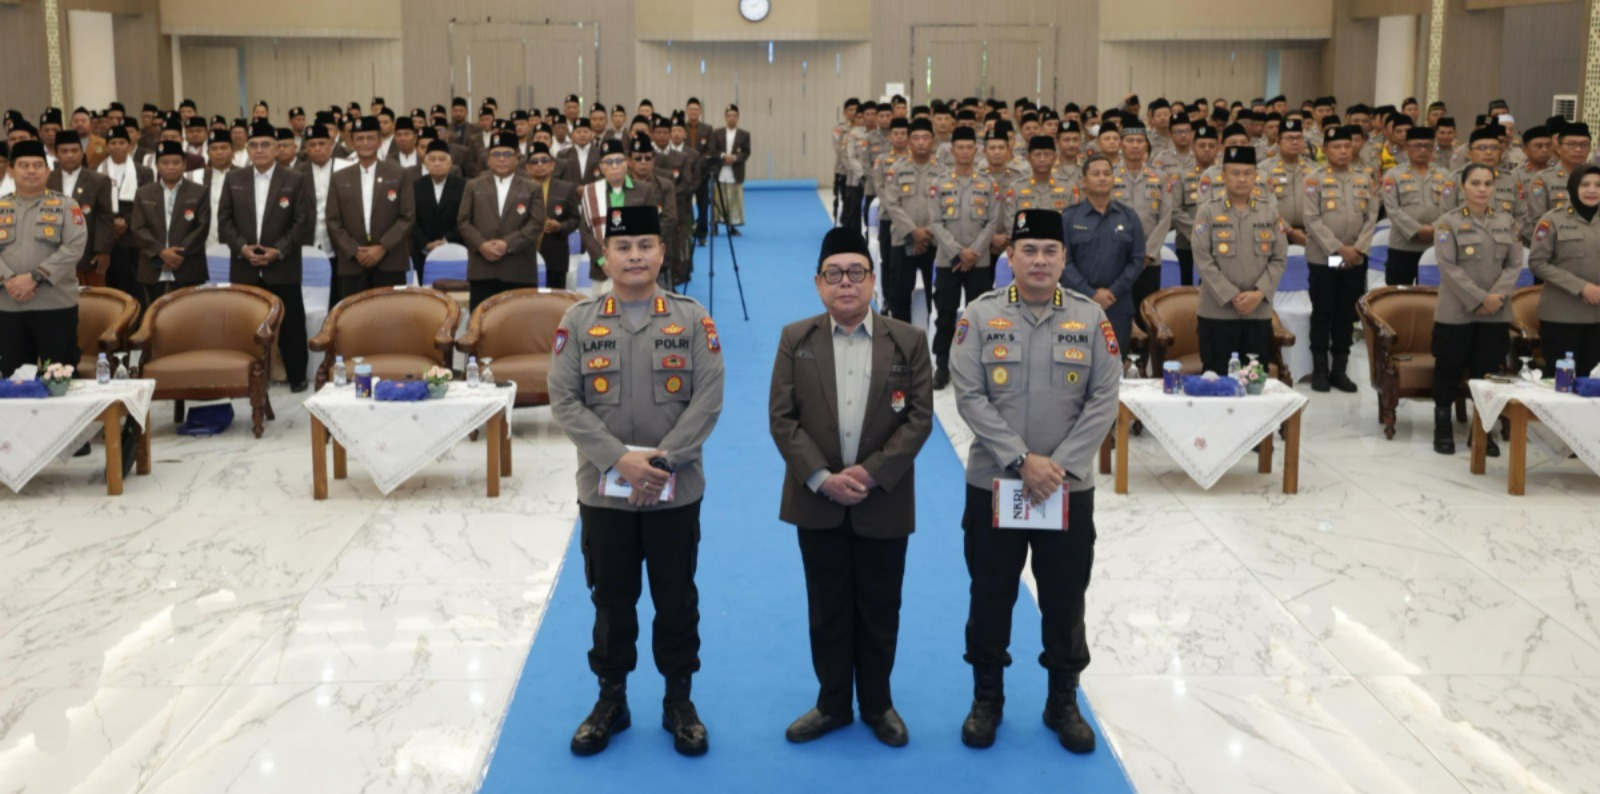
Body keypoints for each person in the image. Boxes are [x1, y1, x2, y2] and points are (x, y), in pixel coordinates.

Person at [548, 204, 724, 758]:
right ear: (606, 256)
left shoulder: (692, 319)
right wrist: (620, 462)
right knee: (611, 600)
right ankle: (611, 700)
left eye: (645, 245)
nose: (635, 256)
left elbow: (708, 399)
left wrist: (662, 464)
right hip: (605, 493)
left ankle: (679, 701)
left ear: (662, 253)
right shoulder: (579, 321)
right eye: (623, 247)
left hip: (676, 491)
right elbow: (565, 400)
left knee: (677, 599)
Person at [948, 209, 1120, 753]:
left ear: (1064, 258)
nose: (1039, 260)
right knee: (990, 595)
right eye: (1029, 250)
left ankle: (1062, 701)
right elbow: (969, 395)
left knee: (1066, 598)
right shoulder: (980, 315)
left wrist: (1058, 466)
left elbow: (1104, 398)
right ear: (1010, 256)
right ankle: (987, 699)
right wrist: (1022, 460)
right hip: (994, 485)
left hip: (1066, 490)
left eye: (1050, 251)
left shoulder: (1091, 318)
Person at [767, 228, 934, 748]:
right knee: (828, 606)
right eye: (834, 274)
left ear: (873, 280)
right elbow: (782, 419)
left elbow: (919, 419)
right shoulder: (796, 339)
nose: (846, 283)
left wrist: (871, 473)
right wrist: (822, 477)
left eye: (856, 273)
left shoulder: (908, 340)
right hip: (816, 500)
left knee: (882, 606)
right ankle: (833, 703)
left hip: (882, 498)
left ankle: (878, 704)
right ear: (818, 284)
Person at [1430, 162, 1522, 455]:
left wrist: (1495, 297)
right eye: (1475, 183)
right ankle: (1442, 427)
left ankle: (1482, 432)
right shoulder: (1448, 223)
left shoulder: (1506, 221)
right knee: (1448, 369)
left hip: (1496, 313)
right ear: (1462, 187)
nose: (1482, 189)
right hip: (1456, 312)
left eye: (1487, 184)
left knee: (1487, 373)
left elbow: (1514, 264)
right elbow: (1448, 266)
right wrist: (1481, 298)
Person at [217, 120, 313, 392]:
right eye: (254, 145)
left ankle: (297, 377)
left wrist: (278, 251)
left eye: (265, 145)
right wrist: (242, 248)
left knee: (291, 324)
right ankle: (247, 377)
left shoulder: (294, 179)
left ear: (276, 149)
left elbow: (302, 222)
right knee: (245, 325)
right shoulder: (233, 179)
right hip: (245, 266)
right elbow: (224, 221)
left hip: (283, 265)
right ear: (247, 150)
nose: (259, 150)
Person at [1192, 145, 1288, 375]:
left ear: (1256, 177)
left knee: (1254, 381)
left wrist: (1258, 294)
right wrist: (1232, 295)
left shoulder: (1269, 212)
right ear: (1223, 176)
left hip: (1257, 313)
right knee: (1216, 381)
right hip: (1217, 313)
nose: (1242, 179)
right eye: (1235, 173)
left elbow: (1279, 258)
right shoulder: (1208, 212)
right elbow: (1202, 260)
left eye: (1247, 173)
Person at [0, 140, 88, 378]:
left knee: (61, 378)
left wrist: (34, 277)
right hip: (8, 306)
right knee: (13, 380)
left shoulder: (67, 206)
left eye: (38, 165)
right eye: (24, 165)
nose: (31, 171)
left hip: (55, 306)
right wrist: (9, 279)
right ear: (10, 170)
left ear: (48, 171)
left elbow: (74, 247)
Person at [1303, 125, 1379, 392]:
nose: (1343, 151)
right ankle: (1320, 369)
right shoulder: (1314, 179)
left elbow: (1372, 216)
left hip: (1354, 259)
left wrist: (1357, 249)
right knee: (1323, 312)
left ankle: (1340, 369)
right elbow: (1311, 219)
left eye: (1347, 145)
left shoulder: (1364, 178)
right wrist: (1339, 249)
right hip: (1325, 259)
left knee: (1346, 315)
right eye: (1337, 146)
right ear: (1325, 150)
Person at [929, 126, 999, 390]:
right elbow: (936, 222)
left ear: (976, 150)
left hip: (979, 261)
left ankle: (976, 367)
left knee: (978, 315)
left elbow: (992, 222)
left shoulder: (988, 184)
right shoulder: (939, 183)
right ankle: (942, 365)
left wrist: (973, 252)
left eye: (970, 147)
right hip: (948, 260)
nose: (965, 152)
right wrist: (958, 252)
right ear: (952, 150)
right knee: (945, 314)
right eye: (960, 147)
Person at [1061, 155, 1144, 356]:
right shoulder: (1069, 217)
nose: (1102, 178)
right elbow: (1063, 261)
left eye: (1107, 173)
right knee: (1076, 361)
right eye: (1096, 174)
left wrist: (1112, 292)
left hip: (1117, 304)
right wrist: (1091, 294)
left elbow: (1137, 259)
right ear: (1084, 181)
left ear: (1113, 179)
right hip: (1078, 303)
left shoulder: (1129, 216)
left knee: (1114, 361)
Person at [326, 116, 416, 298]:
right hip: (353, 263)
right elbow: (333, 221)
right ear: (352, 142)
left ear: (380, 141)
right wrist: (354, 250)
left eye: (370, 138)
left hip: (390, 261)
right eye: (360, 138)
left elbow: (408, 216)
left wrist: (382, 247)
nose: (365, 143)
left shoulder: (399, 174)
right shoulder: (339, 178)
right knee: (354, 314)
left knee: (390, 313)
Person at [456, 131, 543, 310]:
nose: (501, 159)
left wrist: (507, 244)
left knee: (518, 322)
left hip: (518, 270)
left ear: (517, 158)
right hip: (482, 269)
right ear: (488, 159)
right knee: (481, 322)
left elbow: (536, 223)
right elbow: (463, 221)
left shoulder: (532, 188)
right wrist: (481, 245)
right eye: (496, 154)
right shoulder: (473, 185)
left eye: (507, 154)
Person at [1528, 165, 1600, 381]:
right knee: (1560, 382)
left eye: (1598, 185)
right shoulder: (1552, 220)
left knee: (1594, 382)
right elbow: (1538, 263)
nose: (1592, 190)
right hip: (1563, 315)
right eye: (1585, 185)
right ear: (1573, 187)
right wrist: (1581, 287)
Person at [577, 138, 669, 292]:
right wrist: (602, 260)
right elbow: (585, 230)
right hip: (603, 270)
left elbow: (651, 229)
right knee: (603, 307)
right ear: (601, 167)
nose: (614, 166)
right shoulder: (590, 192)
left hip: (636, 266)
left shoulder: (644, 190)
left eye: (619, 161)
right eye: (609, 162)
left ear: (627, 163)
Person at [129, 141, 209, 305]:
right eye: (165, 162)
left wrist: (176, 255)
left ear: (184, 164)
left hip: (188, 266)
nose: (170, 167)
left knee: (189, 315)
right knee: (153, 314)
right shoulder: (144, 193)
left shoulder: (199, 192)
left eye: (176, 162)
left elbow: (202, 227)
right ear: (157, 165)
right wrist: (161, 252)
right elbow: (138, 228)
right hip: (153, 266)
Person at [879, 118, 940, 324]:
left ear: (932, 140)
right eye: (916, 138)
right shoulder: (896, 169)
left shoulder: (943, 172)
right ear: (909, 141)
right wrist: (914, 233)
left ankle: (932, 338)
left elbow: (945, 209)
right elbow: (892, 205)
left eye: (925, 138)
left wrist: (926, 234)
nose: (921, 142)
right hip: (902, 240)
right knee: (900, 297)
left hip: (934, 242)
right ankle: (901, 340)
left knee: (936, 296)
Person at [1381, 126, 1453, 286]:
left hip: (1434, 246)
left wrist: (1433, 228)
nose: (1423, 150)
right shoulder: (1393, 174)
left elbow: (1451, 208)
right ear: (1407, 147)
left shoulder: (1445, 175)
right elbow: (1392, 209)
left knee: (1431, 295)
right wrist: (1417, 229)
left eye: (1427, 146)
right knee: (1398, 294)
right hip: (1402, 247)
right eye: (1417, 146)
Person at [47, 131, 113, 288]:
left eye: (74, 150)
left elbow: (104, 217)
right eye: (64, 151)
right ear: (56, 154)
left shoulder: (98, 180)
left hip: (88, 253)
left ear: (82, 153)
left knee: (93, 299)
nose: (69, 155)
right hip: (53, 252)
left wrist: (103, 251)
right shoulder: (46, 180)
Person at [97, 126, 154, 299]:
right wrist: (112, 224)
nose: (117, 146)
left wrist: (126, 222)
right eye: (113, 143)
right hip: (108, 238)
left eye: (121, 142)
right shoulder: (96, 170)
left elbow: (146, 203)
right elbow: (96, 205)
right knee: (111, 288)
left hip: (133, 237)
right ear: (107, 146)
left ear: (129, 146)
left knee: (135, 287)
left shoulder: (144, 172)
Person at [524, 141, 579, 290]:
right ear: (527, 167)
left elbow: (576, 219)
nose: (540, 164)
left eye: (544, 160)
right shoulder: (519, 188)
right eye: (534, 161)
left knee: (555, 301)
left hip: (555, 257)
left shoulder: (566, 188)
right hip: (524, 257)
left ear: (553, 165)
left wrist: (560, 226)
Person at [1172, 123, 1220, 285]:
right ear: (1193, 146)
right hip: (1187, 243)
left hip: (1218, 242)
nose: (1206, 149)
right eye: (1202, 145)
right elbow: (1175, 210)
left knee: (1211, 287)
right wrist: (1199, 233)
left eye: (1211, 145)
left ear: (1218, 147)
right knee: (1186, 287)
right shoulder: (1181, 175)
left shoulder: (1226, 176)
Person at [709, 104, 750, 235]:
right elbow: (712, 150)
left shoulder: (744, 134)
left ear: (738, 117)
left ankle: (732, 226)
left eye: (734, 116)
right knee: (717, 199)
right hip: (720, 171)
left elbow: (746, 152)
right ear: (725, 117)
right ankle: (715, 225)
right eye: (729, 115)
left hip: (735, 171)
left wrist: (734, 158)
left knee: (734, 201)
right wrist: (723, 156)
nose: (731, 118)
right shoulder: (717, 133)